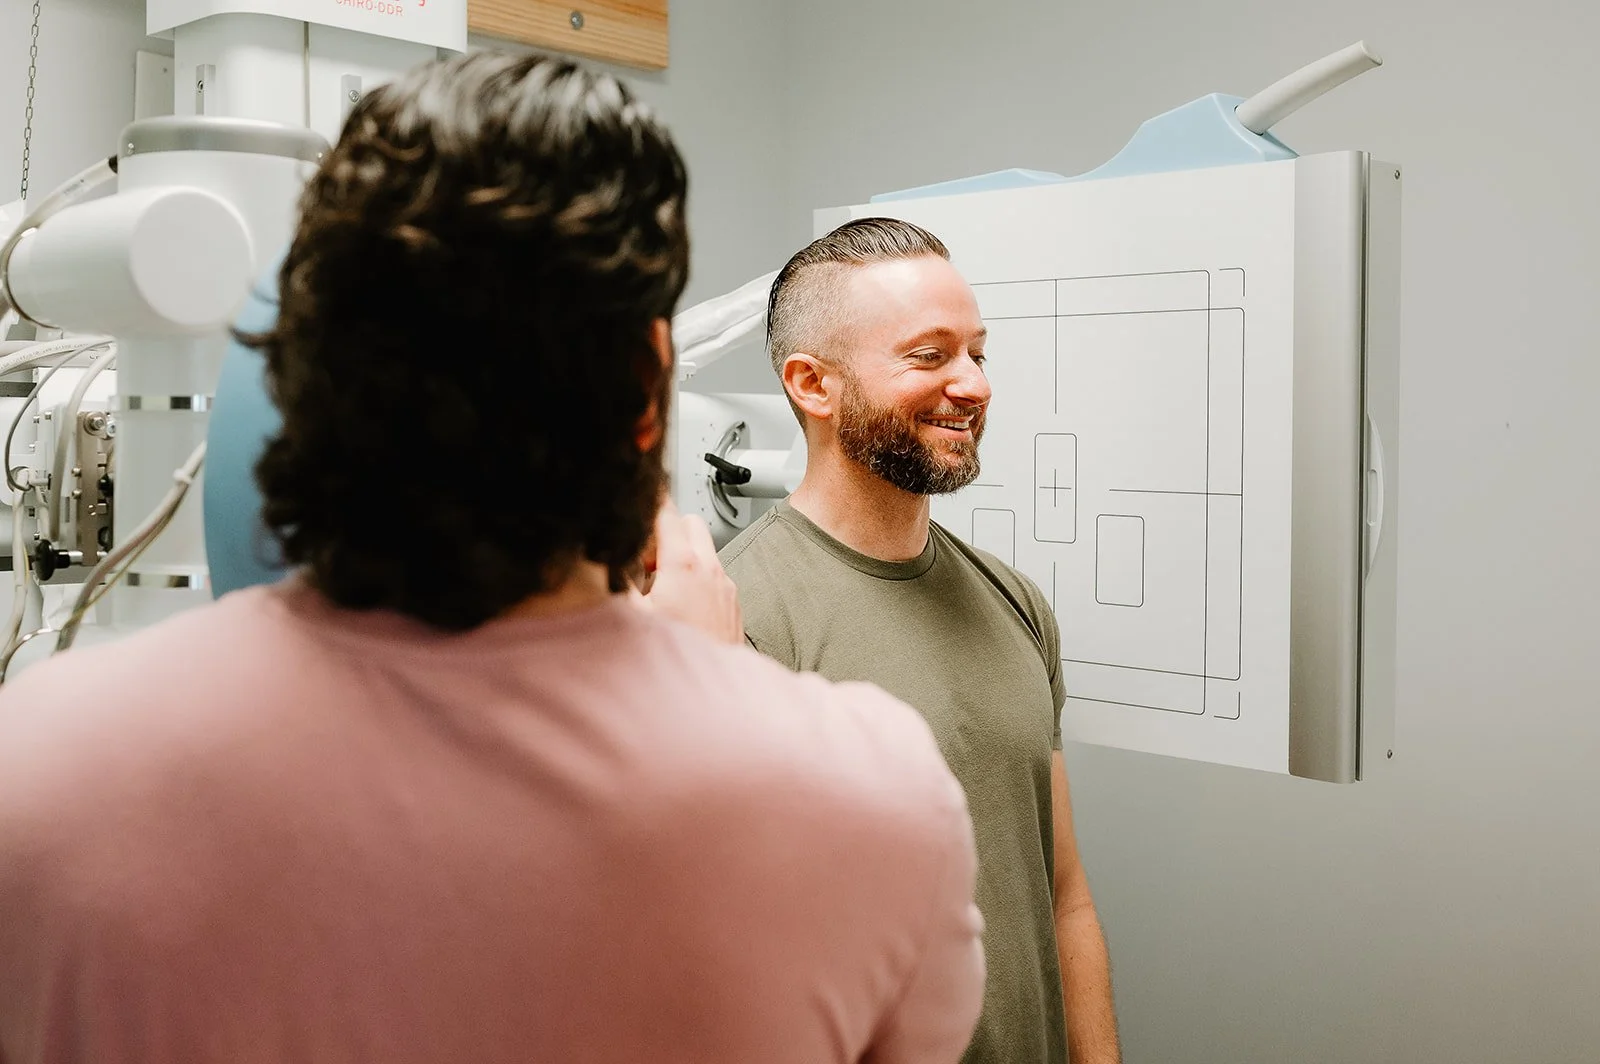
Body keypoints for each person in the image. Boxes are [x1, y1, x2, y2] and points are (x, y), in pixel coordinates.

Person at [0, 55, 986, 1064]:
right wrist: (720, 695)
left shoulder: (40, 762)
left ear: (297, 370)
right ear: (649, 389)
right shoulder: (869, 795)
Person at [720, 218, 1120, 1064]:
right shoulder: (739, 622)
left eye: (978, 352)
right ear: (812, 385)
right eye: (930, 356)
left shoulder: (1016, 604)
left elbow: (1065, 900)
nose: (973, 385)